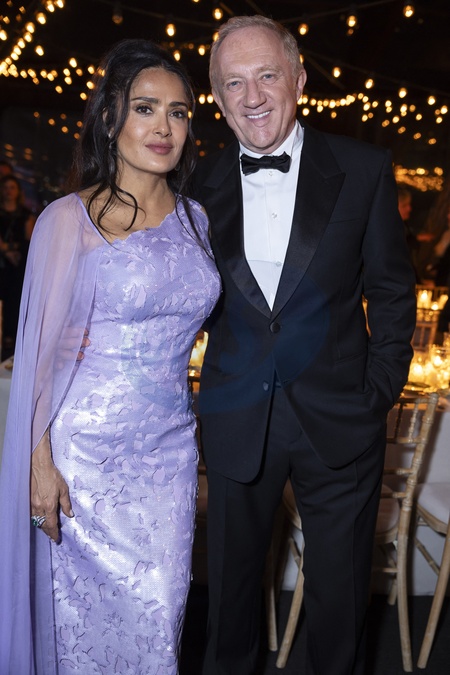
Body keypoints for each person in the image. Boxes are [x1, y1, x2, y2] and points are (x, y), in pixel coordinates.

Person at [191, 15, 416, 675]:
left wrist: (376, 393)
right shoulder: (193, 185)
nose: (253, 96)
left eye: (267, 75)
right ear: (217, 96)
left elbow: (393, 291)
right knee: (227, 605)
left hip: (340, 419)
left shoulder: (363, 169)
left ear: (299, 79)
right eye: (235, 82)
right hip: (235, 416)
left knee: (339, 607)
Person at [0, 39, 220, 674]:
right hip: (85, 459)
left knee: (159, 621)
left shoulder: (197, 219)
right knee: (81, 628)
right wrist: (39, 464)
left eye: (178, 112)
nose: (163, 126)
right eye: (145, 108)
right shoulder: (68, 219)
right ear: (109, 118)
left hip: (169, 457)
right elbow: (38, 358)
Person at [0, 174, 36, 354]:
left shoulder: (25, 214)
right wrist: (7, 251)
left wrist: (11, 250)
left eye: (12, 187)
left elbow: (29, 241)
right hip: (3, 263)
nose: (9, 191)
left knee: (14, 303)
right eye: (6, 187)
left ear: (18, 191)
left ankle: (11, 344)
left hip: (18, 266)